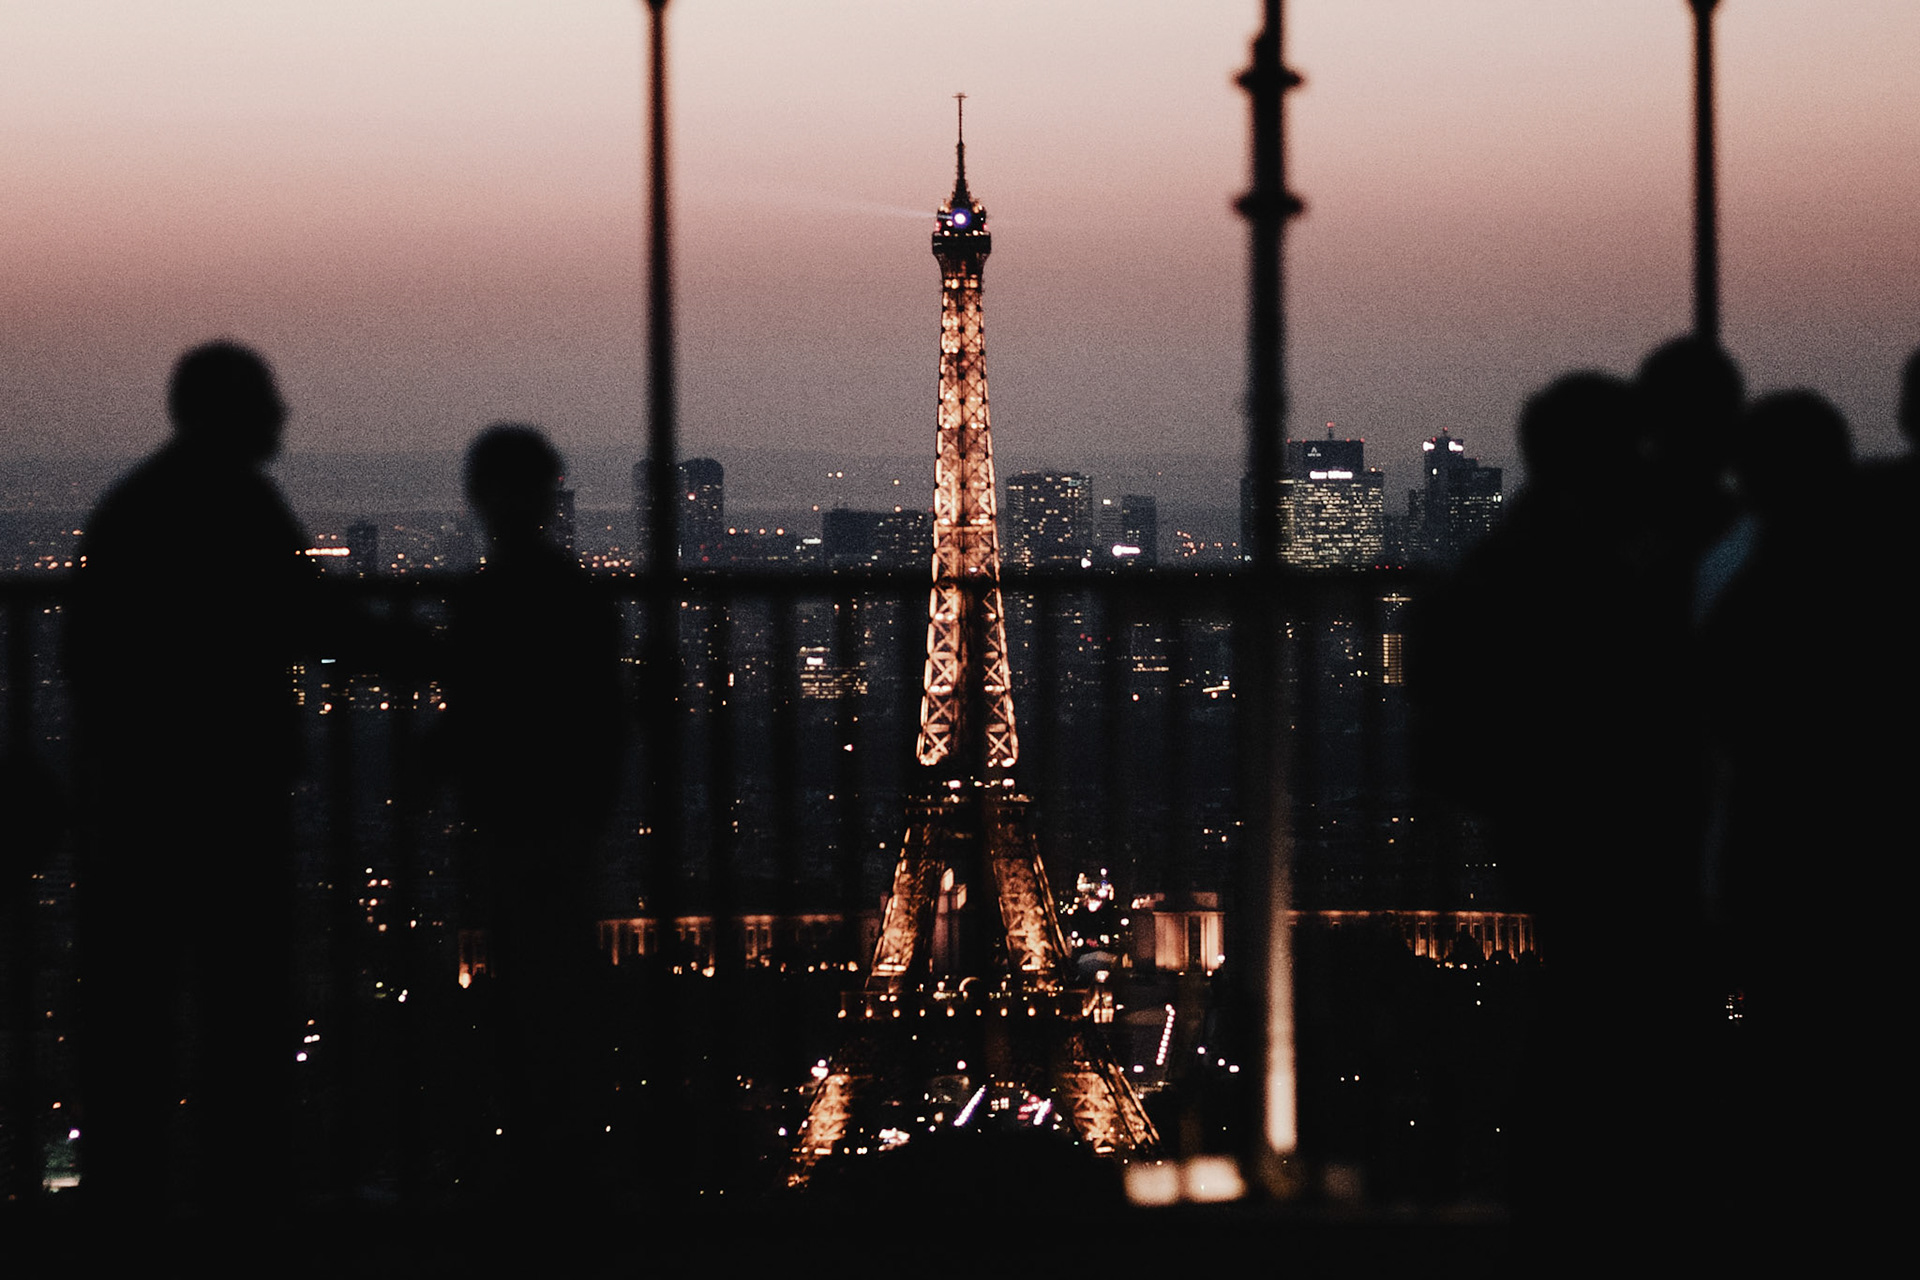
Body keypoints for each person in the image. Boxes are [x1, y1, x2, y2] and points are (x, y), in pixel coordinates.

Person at [65, 340, 315, 1218]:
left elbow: (84, 658)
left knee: (138, 1017)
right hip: (230, 802)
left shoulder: (134, 508)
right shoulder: (241, 505)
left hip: (140, 804)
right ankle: (239, 1199)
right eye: (266, 400)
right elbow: (315, 615)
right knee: (241, 1012)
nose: (282, 416)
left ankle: (132, 1205)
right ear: (232, 412)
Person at [445, 424, 624, 1206]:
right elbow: (602, 714)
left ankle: (527, 1168)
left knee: (521, 995)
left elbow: (476, 706)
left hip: (514, 814)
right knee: (559, 994)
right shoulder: (572, 593)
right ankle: (567, 1167)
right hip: (564, 812)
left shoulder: (494, 595)